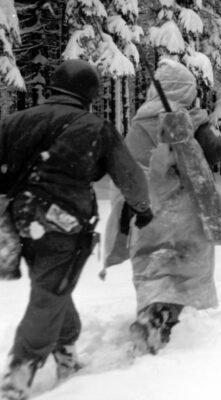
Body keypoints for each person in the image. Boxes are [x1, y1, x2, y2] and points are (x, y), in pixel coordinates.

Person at [0, 60, 152, 399]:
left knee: (52, 285)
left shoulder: (13, 121)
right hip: (63, 223)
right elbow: (131, 177)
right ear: (90, 93)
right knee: (49, 292)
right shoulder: (95, 127)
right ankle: (18, 377)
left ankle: (66, 352)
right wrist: (142, 209)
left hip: (15, 220)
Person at [102, 59, 221, 355]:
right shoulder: (192, 121)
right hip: (184, 212)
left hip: (144, 212)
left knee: (151, 268)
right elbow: (214, 153)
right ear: (186, 91)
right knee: (184, 271)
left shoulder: (138, 124)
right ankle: (161, 319)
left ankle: (149, 314)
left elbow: (126, 169)